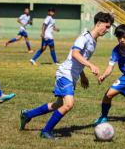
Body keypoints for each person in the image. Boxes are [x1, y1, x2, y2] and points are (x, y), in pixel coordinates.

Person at [20, 12, 114, 140]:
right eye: (107, 26)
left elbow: (78, 59)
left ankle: (27, 115)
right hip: (65, 74)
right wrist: (91, 65)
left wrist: (82, 75)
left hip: (72, 75)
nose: (108, 30)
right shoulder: (84, 37)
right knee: (69, 104)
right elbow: (75, 54)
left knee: (58, 105)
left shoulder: (94, 41)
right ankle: (46, 131)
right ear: (98, 23)